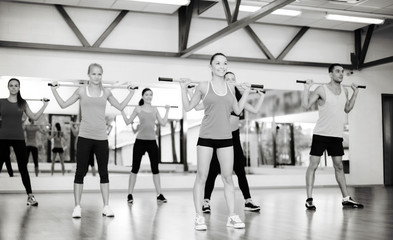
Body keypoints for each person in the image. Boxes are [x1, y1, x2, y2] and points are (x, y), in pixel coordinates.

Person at [50, 63, 135, 218]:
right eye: (94, 74)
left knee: (104, 173)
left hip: (101, 138)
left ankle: (106, 206)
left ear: (102, 75)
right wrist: (54, 90)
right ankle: (77, 207)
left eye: (99, 74)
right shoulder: (82, 90)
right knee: (80, 172)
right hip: (84, 137)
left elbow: (121, 106)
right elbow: (63, 105)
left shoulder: (106, 92)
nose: (97, 77)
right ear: (88, 75)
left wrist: (131, 93)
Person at [179, 53, 250, 231]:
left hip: (226, 138)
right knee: (201, 176)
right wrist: (182, 88)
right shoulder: (204, 86)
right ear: (210, 66)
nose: (222, 66)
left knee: (227, 177)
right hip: (206, 138)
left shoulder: (231, 88)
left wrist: (247, 91)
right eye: (217, 63)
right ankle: (199, 217)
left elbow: (237, 110)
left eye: (225, 63)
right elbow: (190, 107)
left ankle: (232, 216)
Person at [301, 63, 363, 210]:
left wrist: (355, 93)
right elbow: (306, 105)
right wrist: (306, 88)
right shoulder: (321, 89)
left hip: (336, 135)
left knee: (339, 166)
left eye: (342, 71)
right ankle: (309, 199)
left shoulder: (345, 91)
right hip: (321, 134)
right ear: (330, 74)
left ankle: (346, 198)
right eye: (337, 71)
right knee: (314, 165)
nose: (341, 74)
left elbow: (347, 109)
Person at [202, 72, 265, 213]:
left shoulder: (237, 98)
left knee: (240, 171)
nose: (230, 81)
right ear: (222, 81)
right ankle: (206, 201)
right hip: (219, 138)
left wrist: (262, 96)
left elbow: (254, 109)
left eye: (233, 79)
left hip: (234, 139)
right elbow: (202, 106)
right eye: (227, 79)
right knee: (213, 171)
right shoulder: (220, 97)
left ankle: (248, 201)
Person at [0, 78, 48, 206]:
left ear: (19, 88)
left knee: (23, 168)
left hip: (18, 138)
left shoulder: (23, 103)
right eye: (11, 85)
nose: (14, 88)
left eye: (16, 85)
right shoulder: (1, 102)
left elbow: (34, 117)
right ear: (8, 87)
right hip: (2, 138)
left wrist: (44, 105)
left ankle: (30, 196)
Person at [121, 88, 170, 204]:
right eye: (147, 94)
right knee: (135, 168)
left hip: (152, 142)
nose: (149, 96)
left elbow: (163, 123)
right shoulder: (138, 109)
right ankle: (129, 194)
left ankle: (159, 194)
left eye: (150, 95)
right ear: (142, 96)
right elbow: (128, 122)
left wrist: (167, 110)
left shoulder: (155, 109)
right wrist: (122, 111)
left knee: (155, 170)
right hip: (140, 142)